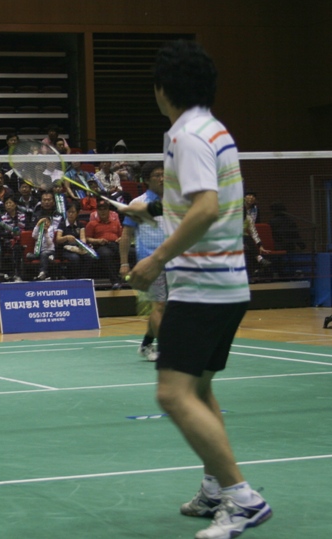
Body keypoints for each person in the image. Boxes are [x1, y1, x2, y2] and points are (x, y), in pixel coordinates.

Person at [123, 40, 271, 539]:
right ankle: (214, 488)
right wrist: (149, 209)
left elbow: (206, 208)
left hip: (201, 288)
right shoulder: (212, 129)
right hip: (227, 285)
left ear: (162, 88)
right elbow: (201, 203)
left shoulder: (185, 136)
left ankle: (242, 498)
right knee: (200, 390)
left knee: (172, 393)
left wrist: (155, 259)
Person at [120, 161, 167, 362]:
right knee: (159, 306)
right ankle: (166, 350)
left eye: (164, 174)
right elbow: (126, 234)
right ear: (147, 180)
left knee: (168, 308)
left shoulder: (175, 202)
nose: (162, 178)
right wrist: (124, 263)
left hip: (176, 261)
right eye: (157, 175)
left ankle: (147, 344)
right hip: (150, 263)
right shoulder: (138, 204)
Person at [85, 199, 123, 287]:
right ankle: (115, 281)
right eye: (100, 209)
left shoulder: (115, 223)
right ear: (97, 211)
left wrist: (120, 239)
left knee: (132, 252)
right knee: (106, 254)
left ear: (108, 211)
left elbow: (122, 236)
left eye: (105, 209)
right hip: (101, 246)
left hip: (115, 244)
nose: (103, 212)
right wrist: (97, 241)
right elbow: (87, 239)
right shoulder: (92, 224)